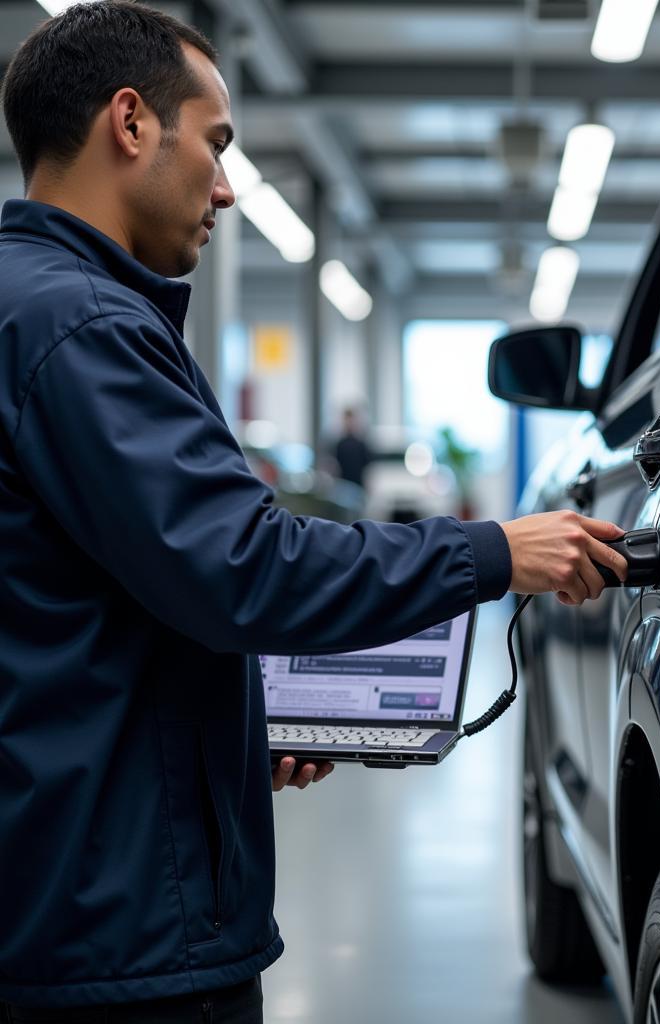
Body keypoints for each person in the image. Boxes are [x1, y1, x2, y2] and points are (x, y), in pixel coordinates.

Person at [0, 4, 628, 1021]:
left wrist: (231, 730)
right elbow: (243, 567)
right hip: (112, 938)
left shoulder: (35, 307)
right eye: (215, 143)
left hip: (68, 882)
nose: (228, 186)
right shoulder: (82, 326)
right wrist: (491, 552)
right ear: (129, 123)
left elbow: (77, 615)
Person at [332, 405, 373, 489]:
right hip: (343, 485)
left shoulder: (361, 444)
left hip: (358, 485)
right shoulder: (340, 444)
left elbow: (367, 466)